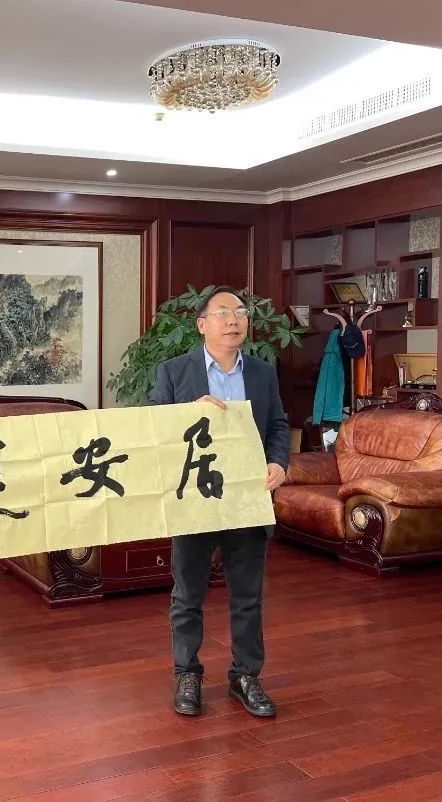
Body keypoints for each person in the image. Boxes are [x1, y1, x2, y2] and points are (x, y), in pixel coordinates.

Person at [147, 285, 289, 719]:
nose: (234, 320)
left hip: (246, 499)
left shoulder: (262, 373)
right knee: (188, 594)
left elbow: (277, 425)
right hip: (195, 498)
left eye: (240, 312)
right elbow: (152, 430)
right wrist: (189, 412)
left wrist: (279, 463)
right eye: (223, 313)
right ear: (202, 325)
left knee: (247, 595)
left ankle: (245, 676)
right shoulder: (174, 372)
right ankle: (187, 673)